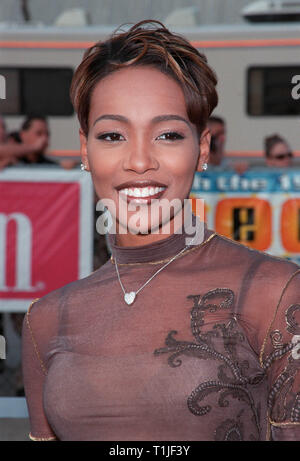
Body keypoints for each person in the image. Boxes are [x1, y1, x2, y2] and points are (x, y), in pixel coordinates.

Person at [22, 20, 299, 441]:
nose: (138, 161)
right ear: (84, 149)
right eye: (112, 135)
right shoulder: (45, 320)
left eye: (168, 135)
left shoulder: (274, 293)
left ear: (201, 148)